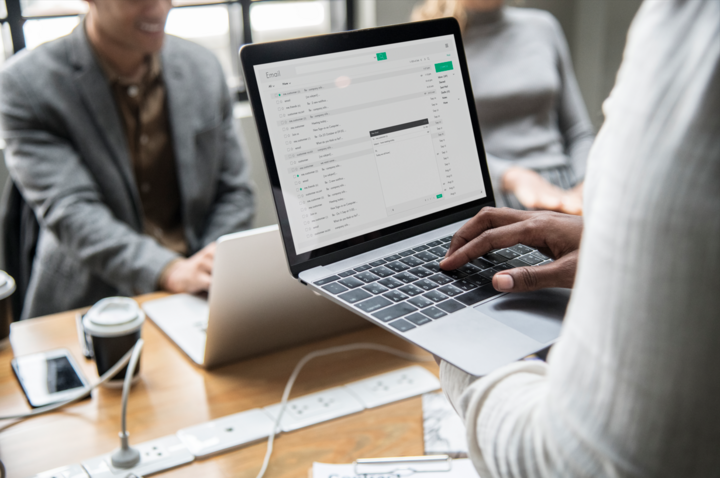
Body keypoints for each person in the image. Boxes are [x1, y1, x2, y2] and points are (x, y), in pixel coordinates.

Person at [437, 0, 720, 476]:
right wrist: (605, 238)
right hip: (510, 197)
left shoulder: (694, 33)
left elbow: (579, 461)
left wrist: (454, 347)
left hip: (573, 192)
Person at [0, 0, 254, 319]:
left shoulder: (203, 67)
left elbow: (235, 191)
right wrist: (169, 270)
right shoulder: (26, 85)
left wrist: (211, 263)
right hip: (90, 304)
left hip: (199, 292)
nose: (159, 9)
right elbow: (72, 210)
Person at [412, 0, 594, 214]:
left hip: (566, 192)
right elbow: (440, 148)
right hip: (494, 200)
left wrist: (585, 187)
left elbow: (578, 131)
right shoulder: (431, 39)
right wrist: (511, 177)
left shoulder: (543, 26)